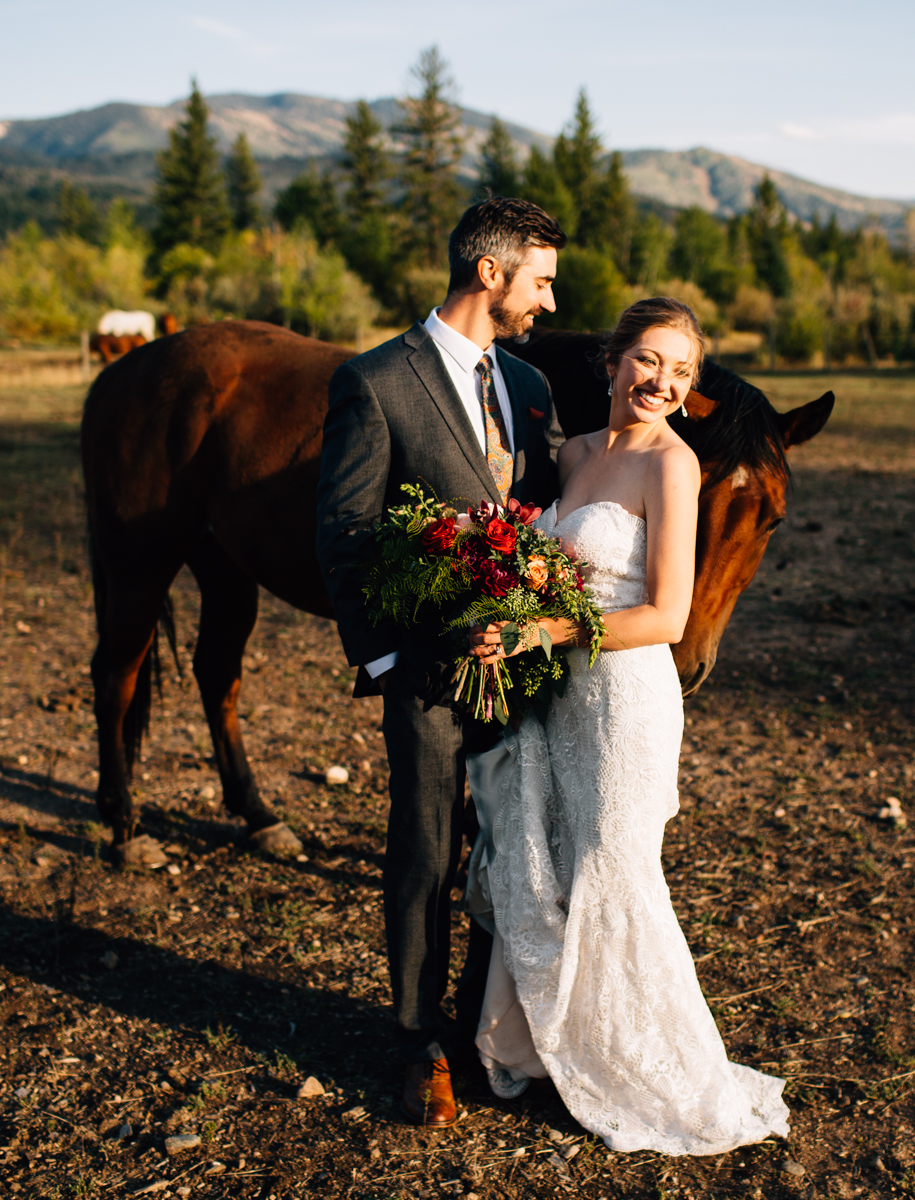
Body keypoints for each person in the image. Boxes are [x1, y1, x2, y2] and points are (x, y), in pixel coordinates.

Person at [463, 298, 790, 1155]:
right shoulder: (572, 455)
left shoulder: (674, 466)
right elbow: (539, 558)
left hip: (626, 699)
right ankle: (556, 1053)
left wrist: (549, 630)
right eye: (649, 361)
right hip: (559, 698)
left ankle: (646, 1070)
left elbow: (669, 616)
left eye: (680, 372)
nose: (662, 382)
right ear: (612, 364)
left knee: (616, 868)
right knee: (553, 860)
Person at [316, 198, 568, 1127]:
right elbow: (343, 534)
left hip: (525, 675)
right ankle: (418, 1040)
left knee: (513, 851)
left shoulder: (534, 388)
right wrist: (387, 661)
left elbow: (551, 511)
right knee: (425, 849)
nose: (547, 301)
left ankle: (484, 1018)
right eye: (539, 281)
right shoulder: (377, 381)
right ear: (490, 273)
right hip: (424, 676)